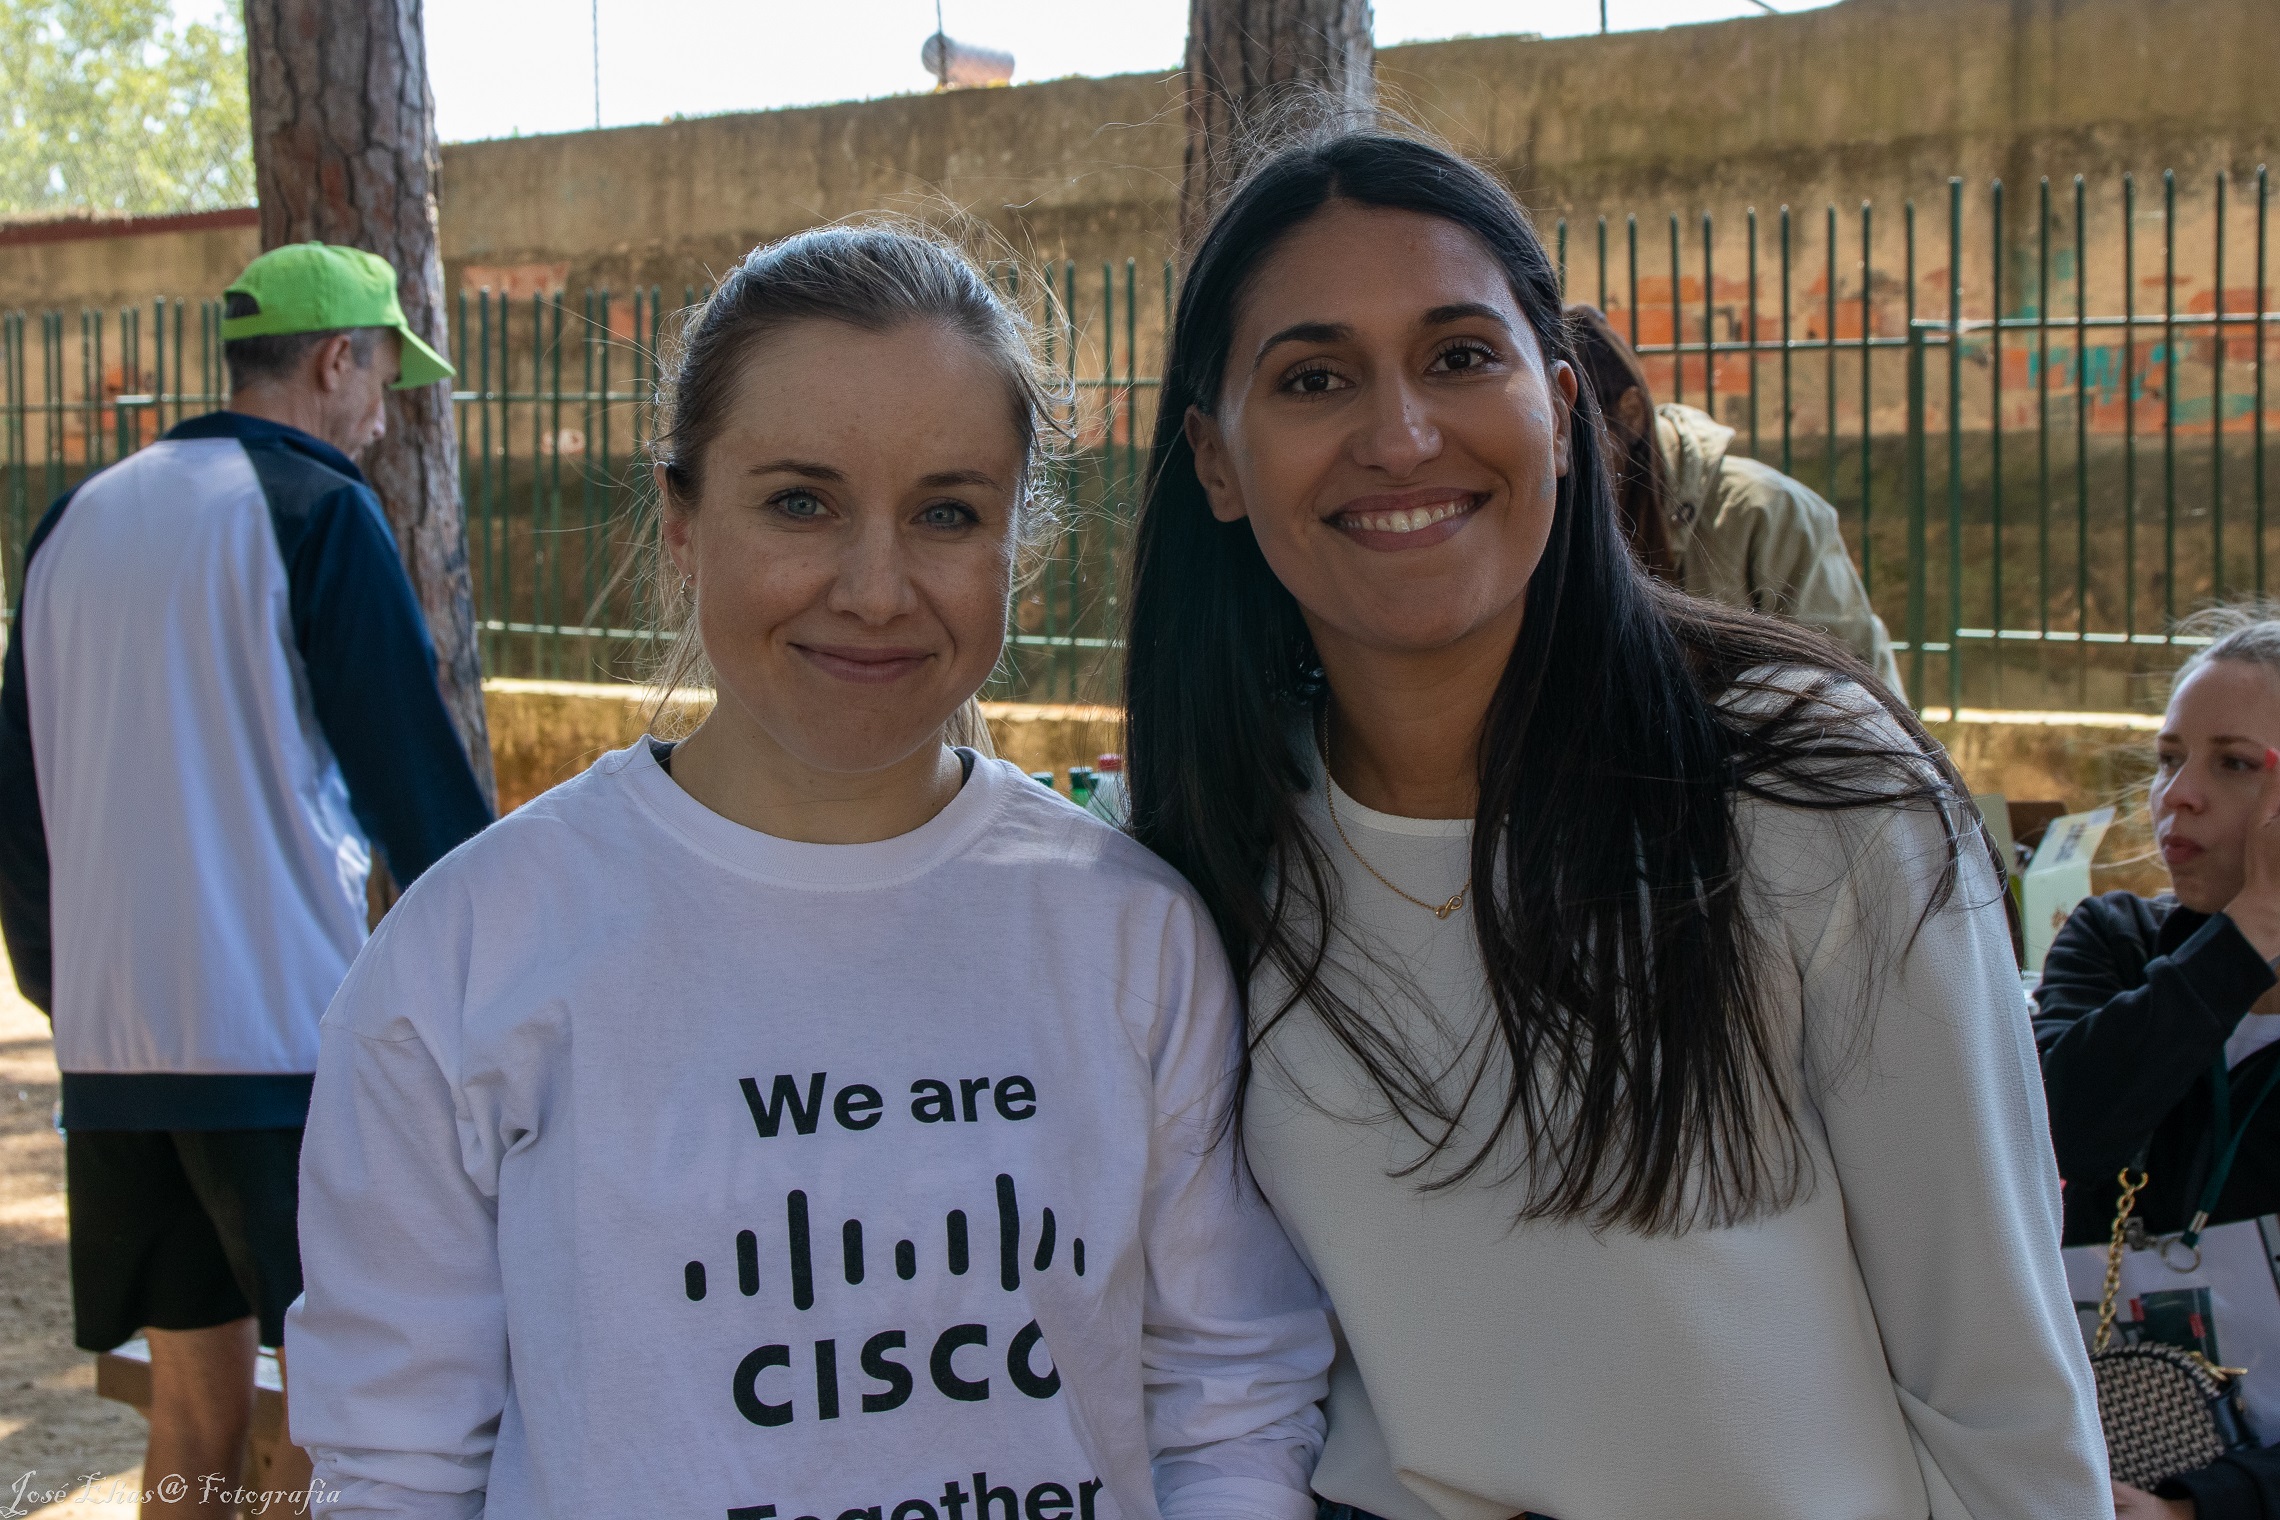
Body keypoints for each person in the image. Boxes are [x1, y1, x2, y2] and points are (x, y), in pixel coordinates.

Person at [1123, 130, 2107, 1519]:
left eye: (1461, 356)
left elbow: (2004, 1397)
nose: (1400, 435)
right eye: (1313, 378)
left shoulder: (1810, 789)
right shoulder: (1198, 849)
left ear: (1562, 407)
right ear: (1217, 462)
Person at [283, 226, 1333, 1519]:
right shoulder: (469, 954)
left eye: (947, 513)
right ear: (682, 519)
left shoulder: (1132, 935)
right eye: (800, 503)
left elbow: (1230, 1401)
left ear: (1020, 538)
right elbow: (395, 1465)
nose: (877, 590)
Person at [0, 241, 492, 1517]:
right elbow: (416, 794)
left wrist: (65, 993)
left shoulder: (73, 521)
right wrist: (496, 978)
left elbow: (24, 806)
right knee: (333, 1419)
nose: (383, 412)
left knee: (193, 1415)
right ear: (335, 360)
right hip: (278, 1046)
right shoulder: (318, 510)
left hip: (114, 1055)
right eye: (382, 376)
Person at [2038, 611, 2280, 1520]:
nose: (2178, 796)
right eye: (2168, 758)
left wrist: (2196, 1510)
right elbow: (2061, 1134)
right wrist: (2251, 934)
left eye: (2234, 764)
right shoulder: (2117, 945)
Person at [1566, 301, 1905, 695]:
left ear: (1631, 413)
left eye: (1573, 440)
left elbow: (1856, 704)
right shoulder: (1545, 526)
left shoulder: (1770, 515)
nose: (1559, 466)